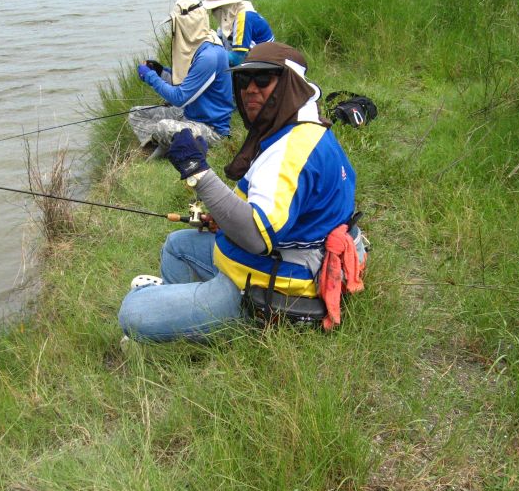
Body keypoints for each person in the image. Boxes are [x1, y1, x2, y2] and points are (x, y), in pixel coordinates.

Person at [118, 42, 364, 342]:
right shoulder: (298, 129)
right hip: (271, 258)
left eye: (263, 80)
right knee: (177, 246)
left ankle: (223, 321)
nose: (250, 89)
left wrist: (197, 171)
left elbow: (256, 238)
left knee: (132, 311)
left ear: (291, 85)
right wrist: (222, 219)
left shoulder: (292, 150)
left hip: (274, 282)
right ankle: (183, 319)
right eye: (244, 80)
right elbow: (265, 207)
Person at [128, 0, 234, 159]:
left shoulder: (209, 55)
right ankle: (167, 146)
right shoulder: (201, 45)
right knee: (136, 113)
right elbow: (186, 82)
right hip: (189, 115)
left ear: (185, 26)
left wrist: (150, 77)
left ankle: (169, 147)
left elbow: (180, 98)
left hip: (212, 129)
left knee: (163, 127)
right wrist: (160, 72)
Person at [202, 0, 274, 67]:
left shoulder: (243, 18)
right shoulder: (228, 19)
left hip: (265, 64)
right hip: (253, 61)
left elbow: (237, 59)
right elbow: (219, 44)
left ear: (224, 7)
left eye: (215, 9)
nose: (213, 12)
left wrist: (207, 56)